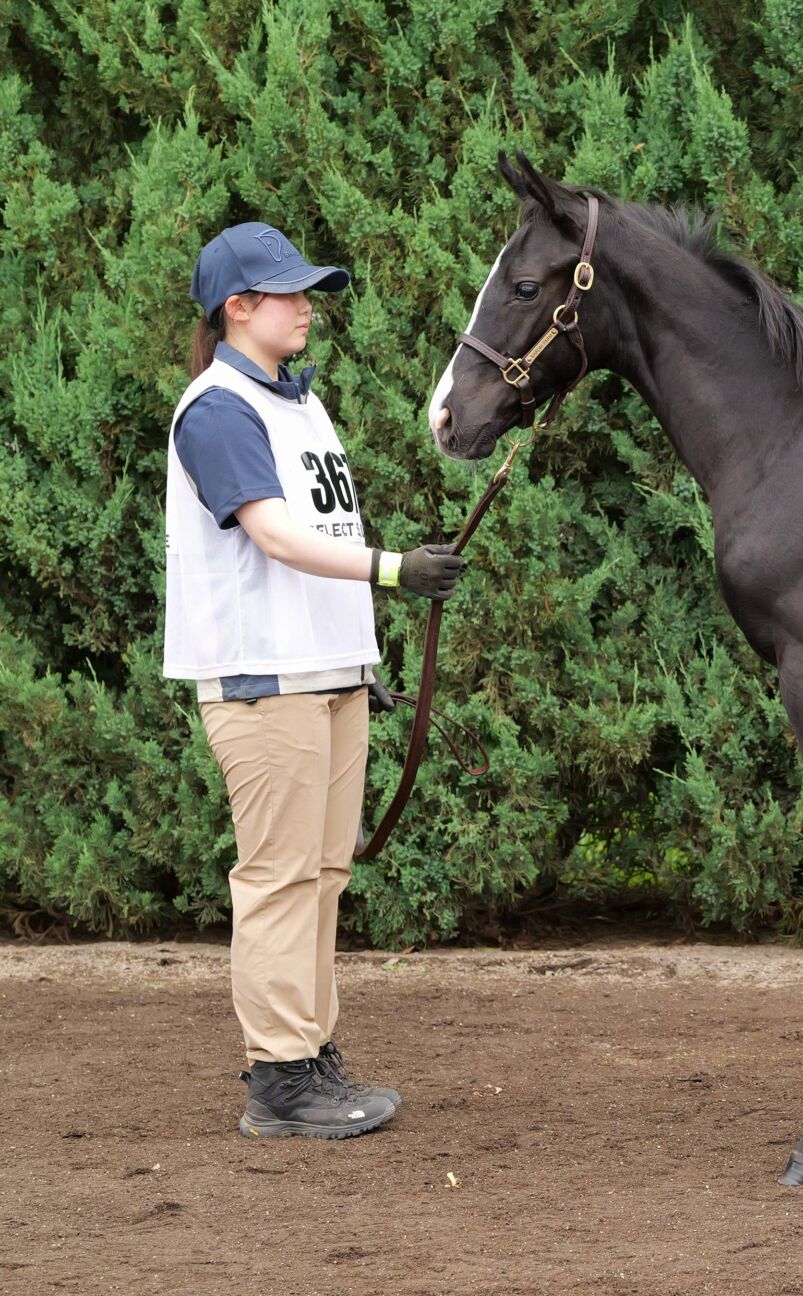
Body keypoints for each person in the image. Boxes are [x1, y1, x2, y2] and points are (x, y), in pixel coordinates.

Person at [163, 221, 468, 1138]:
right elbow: (274, 536)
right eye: (288, 293)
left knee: (321, 875)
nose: (307, 306)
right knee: (280, 879)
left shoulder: (298, 404)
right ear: (237, 309)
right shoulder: (218, 409)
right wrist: (394, 571)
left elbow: (318, 541)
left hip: (323, 677)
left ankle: (308, 1055)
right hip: (265, 682)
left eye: (307, 291)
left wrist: (353, 660)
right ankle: (279, 1082)